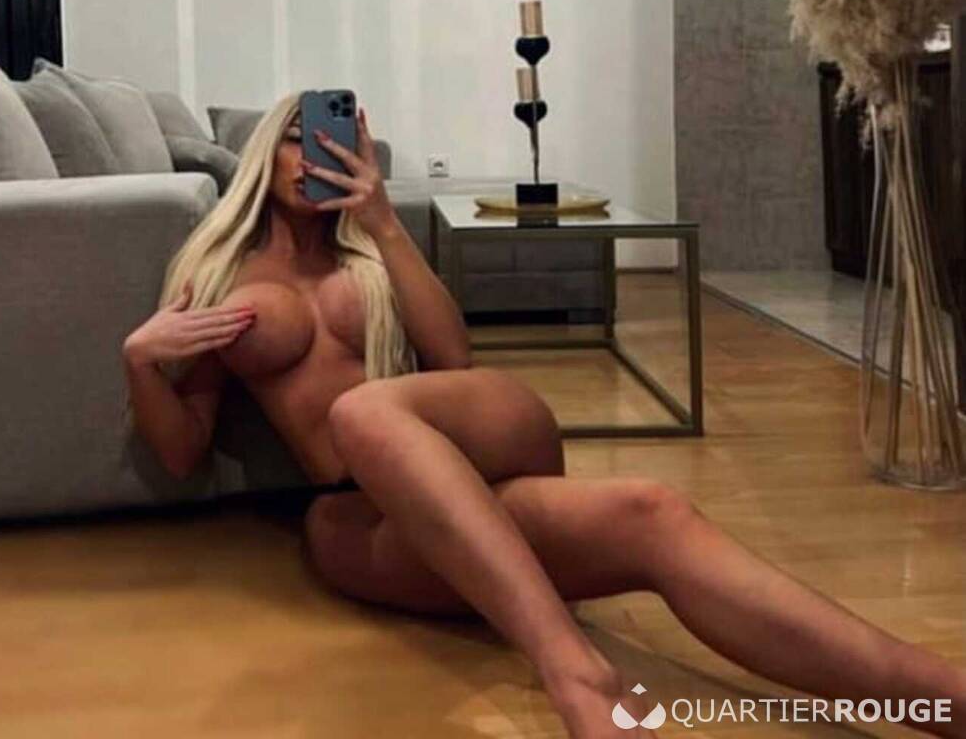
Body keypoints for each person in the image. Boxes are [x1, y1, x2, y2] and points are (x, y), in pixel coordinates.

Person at [123, 93, 966, 739]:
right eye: (300, 138)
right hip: (367, 507)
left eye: (338, 135)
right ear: (263, 154)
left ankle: (573, 671)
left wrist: (380, 223)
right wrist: (143, 362)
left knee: (368, 412)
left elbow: (451, 355)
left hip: (475, 428)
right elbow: (183, 451)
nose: (319, 153)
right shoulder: (216, 275)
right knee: (651, 513)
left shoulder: (371, 248)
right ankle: (936, 696)